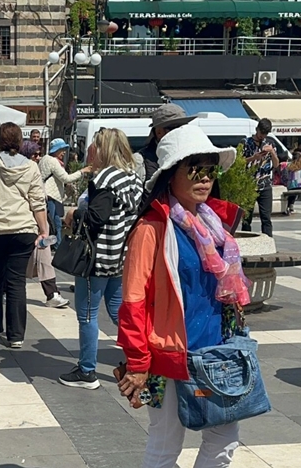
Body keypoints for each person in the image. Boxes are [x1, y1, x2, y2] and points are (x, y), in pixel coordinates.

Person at [118, 125, 250, 467]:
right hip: (170, 358)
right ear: (169, 175)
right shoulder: (152, 229)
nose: (204, 178)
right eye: (194, 168)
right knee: (165, 445)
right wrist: (137, 363)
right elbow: (132, 302)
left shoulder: (215, 225)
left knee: (223, 440)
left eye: (210, 169)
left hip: (215, 354)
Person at [58, 128, 143, 389]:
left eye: (94, 146)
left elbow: (96, 218)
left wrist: (74, 213)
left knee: (86, 314)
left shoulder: (104, 179)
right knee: (120, 313)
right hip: (121, 257)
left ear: (103, 149)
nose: (90, 150)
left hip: (97, 258)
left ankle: (87, 371)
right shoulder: (133, 178)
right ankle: (139, 358)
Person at [0, 123, 49, 348]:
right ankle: (16, 335)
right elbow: (38, 202)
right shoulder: (31, 168)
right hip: (22, 229)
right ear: (20, 141)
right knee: (16, 282)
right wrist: (43, 229)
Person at [19, 141, 69, 308]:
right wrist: (43, 227)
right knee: (32, 258)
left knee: (43, 256)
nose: (38, 157)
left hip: (35, 224)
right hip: (29, 223)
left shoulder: (33, 171)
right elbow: (37, 201)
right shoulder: (26, 172)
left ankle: (52, 293)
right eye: (35, 155)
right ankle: (51, 293)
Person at [39, 138, 92, 248]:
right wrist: (82, 171)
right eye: (62, 149)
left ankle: (56, 244)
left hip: (47, 195)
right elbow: (66, 178)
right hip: (51, 196)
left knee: (56, 222)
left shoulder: (45, 159)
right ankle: (55, 245)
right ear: (56, 150)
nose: (64, 152)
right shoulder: (53, 161)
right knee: (53, 222)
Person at [135, 104, 196, 185]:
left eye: (183, 127)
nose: (181, 132)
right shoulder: (139, 161)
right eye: (175, 128)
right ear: (159, 132)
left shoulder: (193, 157)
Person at [242, 118, 278, 236]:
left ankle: (268, 242)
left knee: (266, 217)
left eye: (265, 134)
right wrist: (254, 157)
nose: (262, 136)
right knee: (247, 217)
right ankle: (246, 243)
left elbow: (276, 164)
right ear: (257, 129)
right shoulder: (246, 143)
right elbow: (239, 162)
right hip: (249, 184)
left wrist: (272, 152)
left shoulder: (270, 143)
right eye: (261, 133)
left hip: (265, 184)